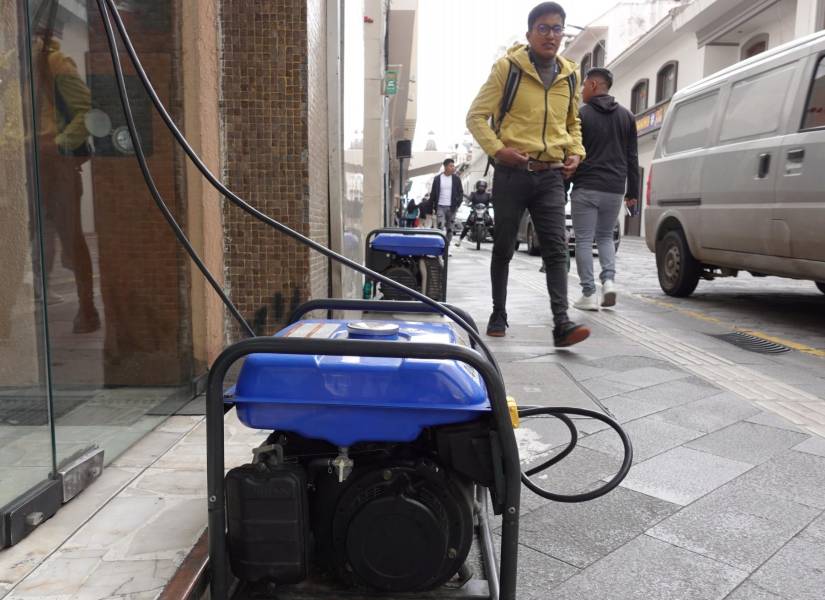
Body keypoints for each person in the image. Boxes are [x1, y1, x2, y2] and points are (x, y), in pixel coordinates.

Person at [466, 1, 589, 347]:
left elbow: (572, 122)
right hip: (511, 173)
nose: (551, 35)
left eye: (557, 29)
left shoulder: (571, 73)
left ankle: (562, 322)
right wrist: (497, 150)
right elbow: (475, 116)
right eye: (544, 28)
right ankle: (498, 312)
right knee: (504, 245)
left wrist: (576, 152)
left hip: (551, 175)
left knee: (556, 248)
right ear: (530, 33)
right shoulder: (508, 69)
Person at [570, 67, 639, 310]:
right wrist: (633, 193)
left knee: (585, 240)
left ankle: (589, 294)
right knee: (605, 237)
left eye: (584, 85)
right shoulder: (627, 116)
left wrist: (564, 184)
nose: (582, 90)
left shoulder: (581, 115)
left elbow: (572, 153)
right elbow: (632, 157)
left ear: (594, 85)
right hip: (614, 187)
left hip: (587, 185)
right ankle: (608, 281)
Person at [428, 158, 464, 242]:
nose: (453, 168)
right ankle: (441, 246)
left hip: (452, 208)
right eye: (451, 166)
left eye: (453, 166)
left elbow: (461, 193)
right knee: (440, 228)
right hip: (440, 206)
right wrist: (431, 207)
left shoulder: (456, 179)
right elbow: (433, 193)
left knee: (450, 229)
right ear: (445, 167)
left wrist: (457, 204)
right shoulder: (437, 179)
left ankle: (447, 247)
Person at [454, 180, 492, 247]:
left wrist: (494, 204)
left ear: (485, 187)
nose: (481, 188)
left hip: (485, 212)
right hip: (475, 212)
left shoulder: (488, 195)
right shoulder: (473, 194)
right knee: (467, 225)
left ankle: (496, 243)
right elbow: (469, 199)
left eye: (483, 186)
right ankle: (459, 241)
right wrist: (467, 203)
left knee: (491, 225)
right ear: (477, 186)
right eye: (480, 186)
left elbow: (492, 201)